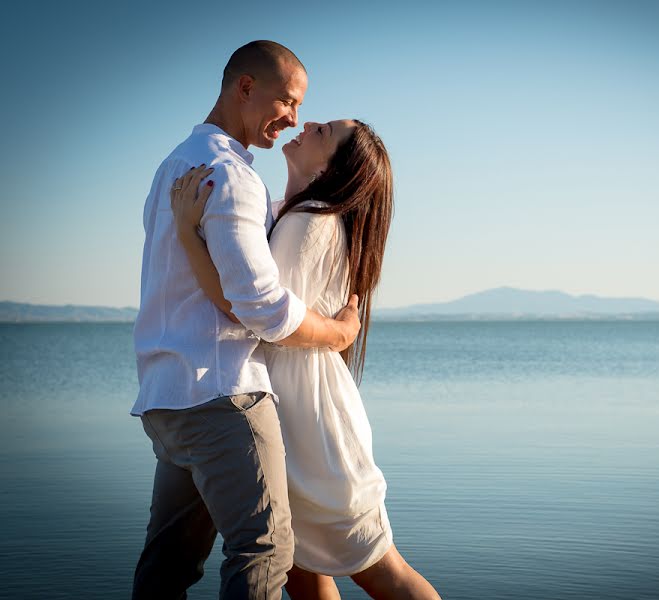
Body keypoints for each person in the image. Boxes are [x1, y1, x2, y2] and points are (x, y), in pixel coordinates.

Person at [170, 118, 441, 599]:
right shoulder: (294, 214)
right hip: (290, 409)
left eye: (324, 133)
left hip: (309, 420)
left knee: (377, 568)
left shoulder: (310, 220)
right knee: (302, 571)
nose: (308, 124)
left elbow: (259, 315)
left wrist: (189, 236)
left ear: (333, 168)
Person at [131, 41, 362, 600]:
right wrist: (337, 334)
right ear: (245, 88)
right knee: (264, 551)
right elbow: (258, 302)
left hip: (166, 397)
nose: (294, 119)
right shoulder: (229, 174)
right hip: (223, 396)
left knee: (168, 565)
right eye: (287, 101)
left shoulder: (173, 165)